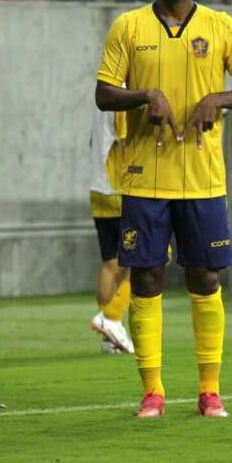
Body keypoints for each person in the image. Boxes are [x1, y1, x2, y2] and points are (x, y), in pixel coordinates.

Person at [95, 0, 232, 418]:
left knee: (204, 276)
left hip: (203, 178)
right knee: (147, 277)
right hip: (144, 175)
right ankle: (153, 390)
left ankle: (209, 390)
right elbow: (104, 93)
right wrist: (144, 95)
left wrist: (218, 98)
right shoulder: (128, 27)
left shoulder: (221, 26)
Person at [88, 107, 136, 354]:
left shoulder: (103, 96)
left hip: (99, 187)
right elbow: (130, 139)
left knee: (111, 263)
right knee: (154, 253)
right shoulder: (124, 94)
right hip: (120, 187)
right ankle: (112, 316)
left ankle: (109, 338)